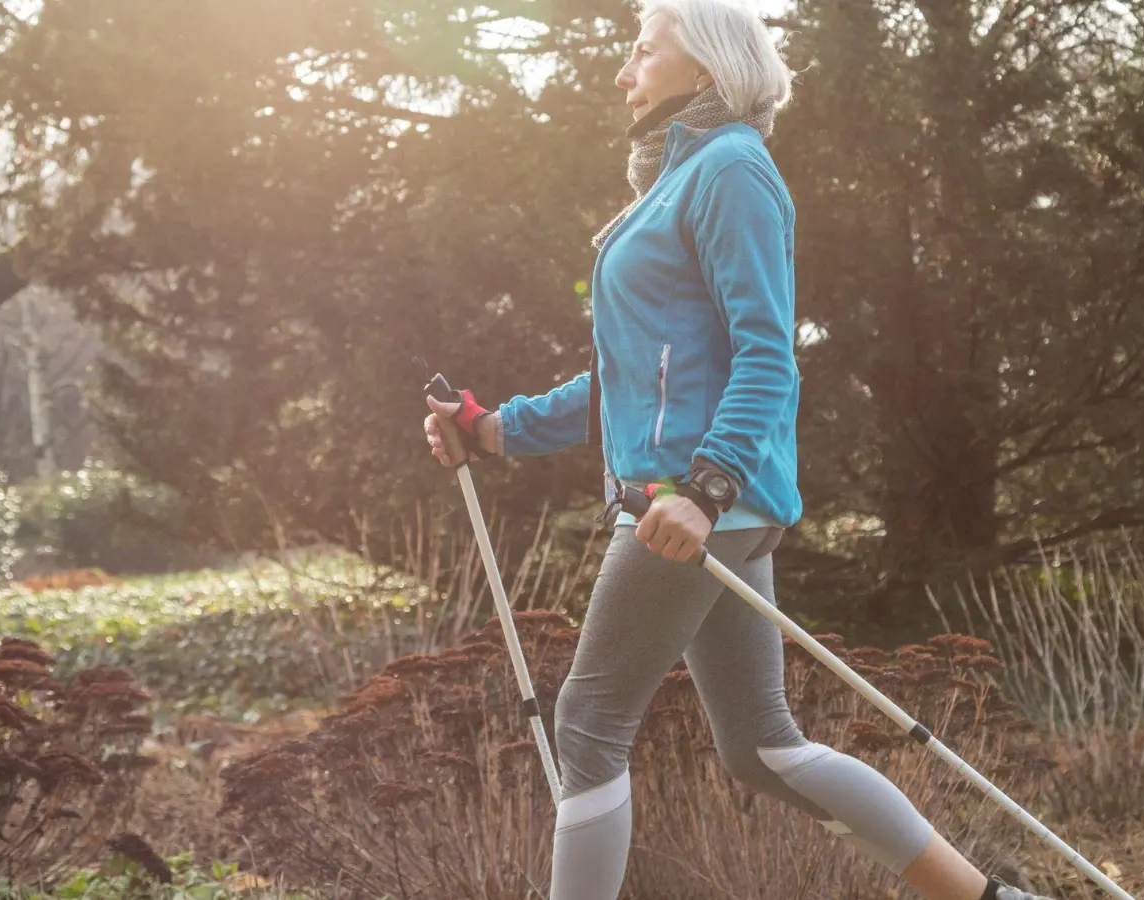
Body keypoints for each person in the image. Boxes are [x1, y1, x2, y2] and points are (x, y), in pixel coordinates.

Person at [422, 1, 1053, 897]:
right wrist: (491, 430)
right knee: (763, 746)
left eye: (643, 51)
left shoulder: (731, 171)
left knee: (589, 720)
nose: (622, 71)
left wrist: (706, 489)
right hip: (700, 505)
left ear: (708, 69)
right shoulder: (676, 179)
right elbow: (624, 381)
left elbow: (769, 352)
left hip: (689, 506)